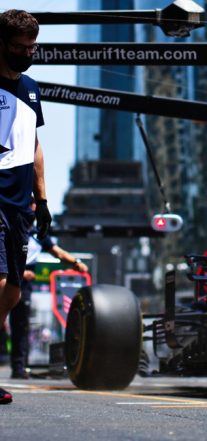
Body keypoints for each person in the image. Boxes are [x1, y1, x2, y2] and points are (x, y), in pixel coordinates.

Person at [0, 9, 51, 405]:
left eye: (32, 47)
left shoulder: (32, 88)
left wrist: (44, 200)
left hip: (21, 207)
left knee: (13, 294)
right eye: (20, 47)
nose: (27, 53)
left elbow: (33, 147)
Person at [9, 201, 88, 379]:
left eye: (35, 209)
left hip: (24, 287)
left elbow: (58, 252)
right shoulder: (9, 228)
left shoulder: (38, 235)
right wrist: (20, 273)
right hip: (7, 277)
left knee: (20, 327)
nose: (33, 212)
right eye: (30, 208)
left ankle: (18, 368)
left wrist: (76, 263)